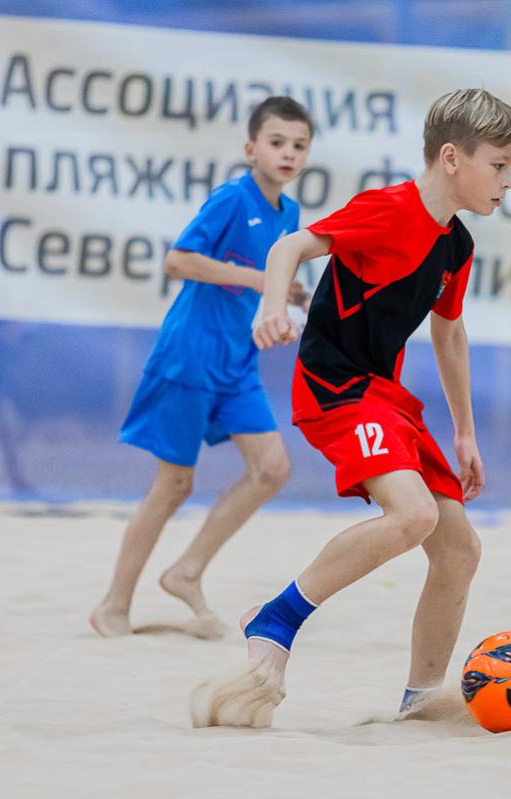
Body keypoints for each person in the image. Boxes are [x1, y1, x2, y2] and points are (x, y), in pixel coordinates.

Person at [190, 88, 511, 727]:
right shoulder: (387, 209)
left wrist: (465, 433)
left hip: (384, 397)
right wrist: (271, 308)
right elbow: (287, 249)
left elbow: (450, 335)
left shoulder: (456, 245)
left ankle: (420, 701)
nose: (509, 182)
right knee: (414, 515)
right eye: (500, 165)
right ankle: (276, 620)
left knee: (460, 550)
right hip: (334, 389)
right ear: (452, 157)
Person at [90, 96, 315, 638]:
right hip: (189, 355)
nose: (288, 153)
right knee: (174, 484)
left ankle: (186, 572)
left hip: (237, 362)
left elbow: (272, 282)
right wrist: (258, 279)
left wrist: (293, 297)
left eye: (299, 145)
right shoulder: (232, 198)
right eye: (277, 142)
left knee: (272, 469)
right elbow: (178, 260)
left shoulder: (288, 214)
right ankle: (113, 605)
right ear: (251, 148)